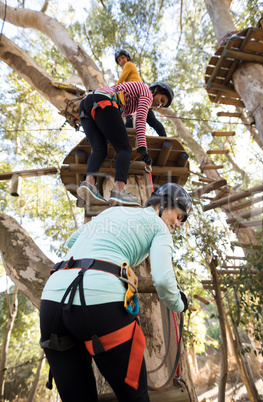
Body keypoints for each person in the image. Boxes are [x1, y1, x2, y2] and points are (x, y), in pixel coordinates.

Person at [39, 182, 192, 402]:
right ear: (164, 203)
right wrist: (180, 304)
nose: (177, 224)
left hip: (52, 300)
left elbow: (72, 241)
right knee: (135, 398)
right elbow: (164, 280)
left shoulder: (112, 212)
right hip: (98, 301)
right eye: (178, 216)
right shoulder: (159, 228)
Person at [77, 80, 174, 207]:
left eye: (162, 105)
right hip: (104, 102)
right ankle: (119, 191)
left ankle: (88, 184)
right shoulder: (147, 93)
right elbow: (140, 120)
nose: (158, 105)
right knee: (124, 148)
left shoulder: (131, 95)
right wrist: (143, 148)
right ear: (156, 90)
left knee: (99, 149)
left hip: (86, 106)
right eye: (161, 100)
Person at [115, 48, 169, 137]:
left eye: (123, 57)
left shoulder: (128, 65)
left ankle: (120, 138)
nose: (121, 61)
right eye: (119, 60)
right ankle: (164, 137)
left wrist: (112, 91)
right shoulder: (129, 66)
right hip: (142, 97)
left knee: (131, 121)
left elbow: (121, 79)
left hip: (136, 97)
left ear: (128, 58)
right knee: (152, 121)